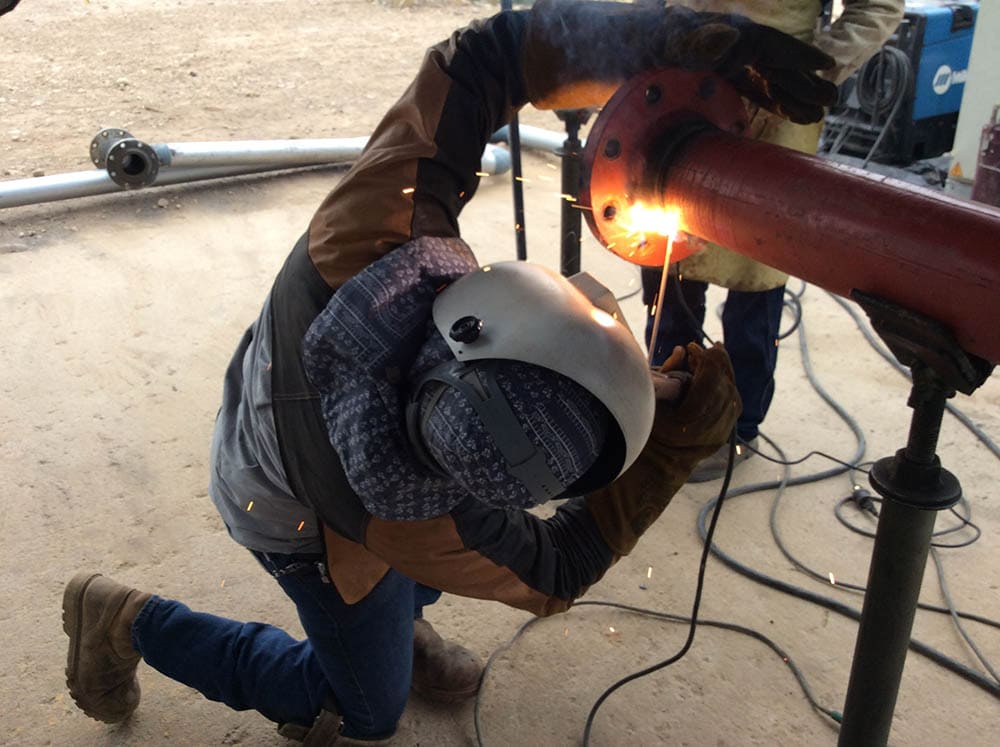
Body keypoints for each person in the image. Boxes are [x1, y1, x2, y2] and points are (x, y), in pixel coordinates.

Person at [61, 1, 837, 743]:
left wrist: (666, 41)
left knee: (421, 534)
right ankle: (129, 618)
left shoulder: (371, 230)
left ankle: (396, 615)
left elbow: (482, 62)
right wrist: (668, 453)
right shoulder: (419, 524)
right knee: (364, 709)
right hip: (284, 508)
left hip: (291, 395)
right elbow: (558, 567)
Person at [640, 0, 905, 482]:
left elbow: (879, 6)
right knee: (664, 262)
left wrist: (807, 68)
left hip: (771, 106)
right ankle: (664, 406)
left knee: (754, 279)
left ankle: (735, 427)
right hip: (676, 89)